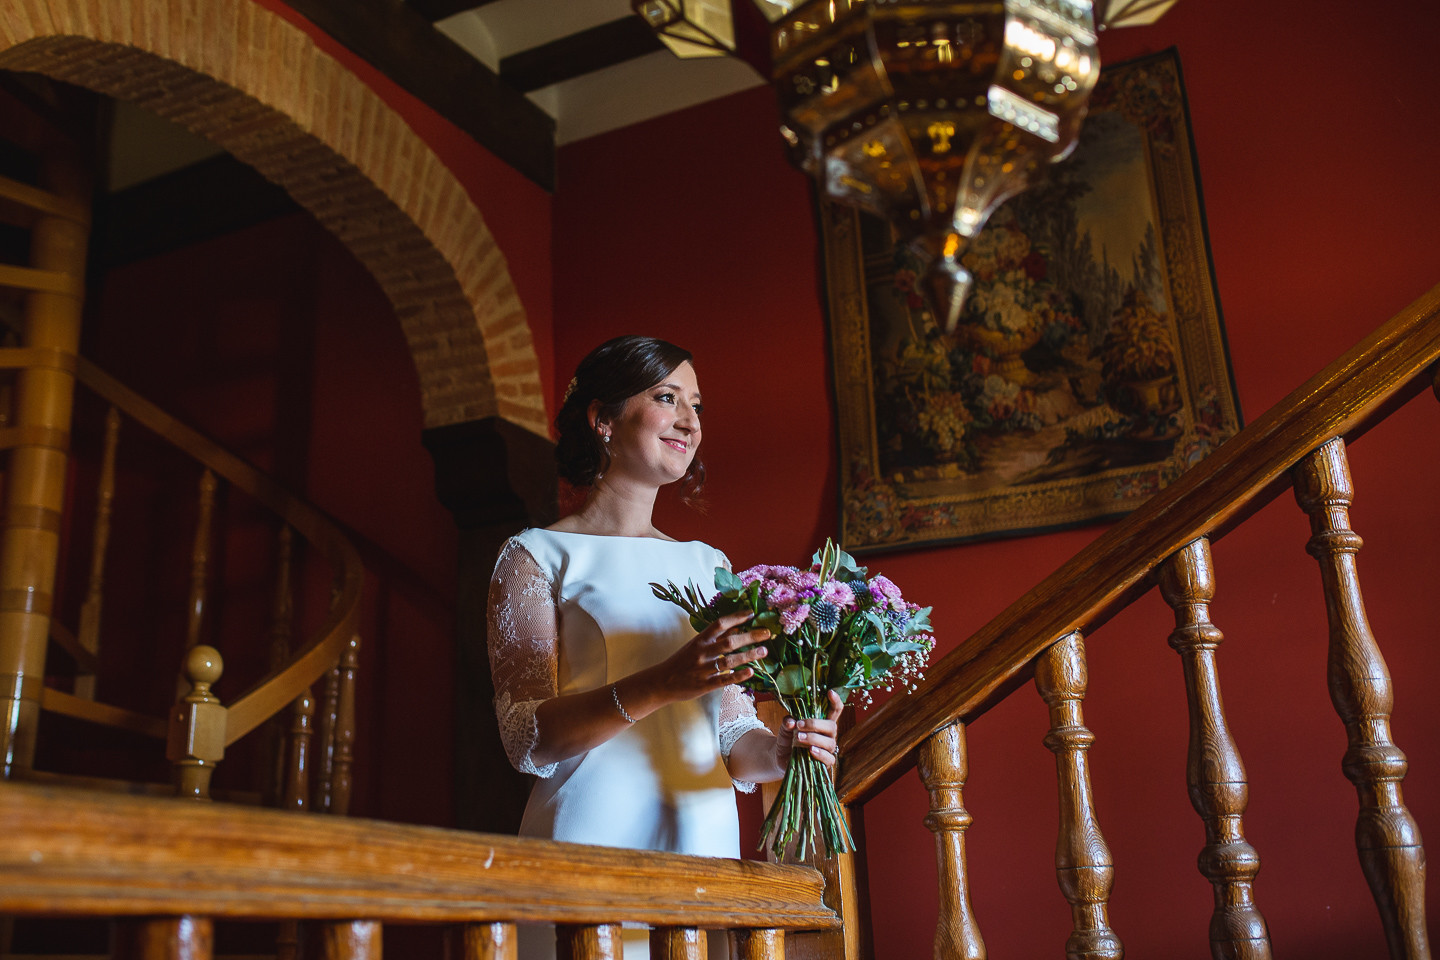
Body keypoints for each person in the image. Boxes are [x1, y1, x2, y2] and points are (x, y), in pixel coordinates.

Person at [486, 335, 842, 959]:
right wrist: (662, 683)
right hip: (589, 839)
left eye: (697, 406)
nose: (690, 422)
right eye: (666, 398)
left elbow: (731, 737)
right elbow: (526, 739)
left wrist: (782, 751)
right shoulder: (536, 556)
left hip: (699, 841)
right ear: (603, 419)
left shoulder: (708, 565)